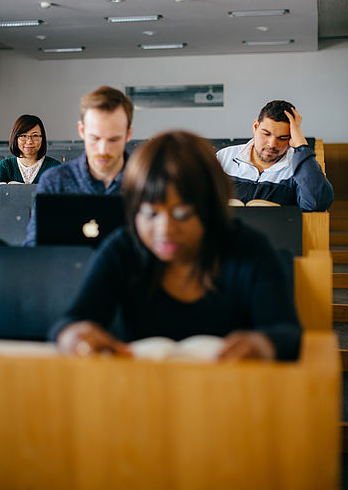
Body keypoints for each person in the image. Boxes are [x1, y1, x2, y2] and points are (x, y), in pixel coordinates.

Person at [52, 130, 302, 362]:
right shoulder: (123, 247)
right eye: (150, 214)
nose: (165, 231)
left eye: (182, 214)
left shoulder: (249, 248)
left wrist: (261, 344)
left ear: (211, 208)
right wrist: (75, 335)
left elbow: (287, 332)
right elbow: (71, 322)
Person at [24, 86, 133, 246]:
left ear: (128, 134)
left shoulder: (146, 181)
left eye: (113, 140)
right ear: (81, 130)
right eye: (95, 138)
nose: (103, 150)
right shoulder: (54, 181)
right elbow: (34, 248)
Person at [216, 100, 333, 211]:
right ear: (256, 126)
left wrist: (301, 145)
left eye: (282, 138)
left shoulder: (300, 166)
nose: (272, 144)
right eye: (266, 134)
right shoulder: (224, 157)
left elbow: (317, 204)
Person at [0, 114, 60, 184]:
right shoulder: (5, 167)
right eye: (23, 136)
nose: (29, 141)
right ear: (15, 139)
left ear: (42, 138)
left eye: (35, 136)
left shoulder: (55, 167)